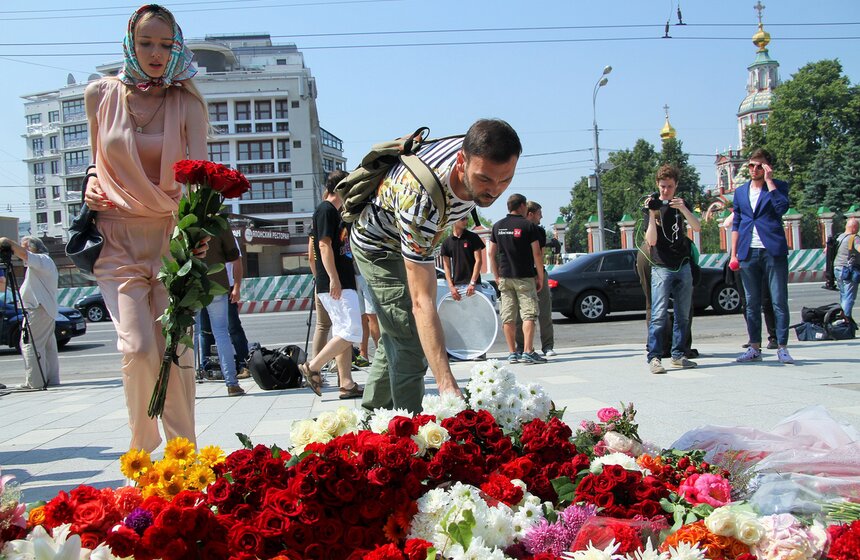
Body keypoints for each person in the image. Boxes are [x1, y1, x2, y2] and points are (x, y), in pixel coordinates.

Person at [83, 4, 207, 452]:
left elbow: (200, 174)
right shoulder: (100, 94)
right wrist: (92, 181)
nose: (156, 53)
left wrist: (200, 232)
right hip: (117, 238)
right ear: (129, 44)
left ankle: (184, 454)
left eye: (166, 44)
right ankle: (142, 453)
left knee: (176, 353)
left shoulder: (186, 100)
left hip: (171, 239)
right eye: (146, 43)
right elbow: (99, 157)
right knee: (136, 349)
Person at [351, 119, 521, 412]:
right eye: (484, 180)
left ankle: (371, 416)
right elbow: (422, 301)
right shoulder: (421, 199)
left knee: (396, 330)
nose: (494, 191)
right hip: (378, 247)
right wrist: (445, 381)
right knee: (409, 340)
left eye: (505, 180)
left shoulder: (478, 156)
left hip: (415, 239)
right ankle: (410, 436)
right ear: (461, 161)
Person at [299, 171, 363, 400]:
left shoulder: (335, 212)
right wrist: (333, 278)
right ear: (341, 187)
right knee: (353, 330)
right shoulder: (325, 210)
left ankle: (346, 384)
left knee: (343, 331)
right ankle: (312, 366)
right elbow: (323, 247)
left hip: (340, 280)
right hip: (336, 282)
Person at [729, 148, 793, 364]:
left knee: (778, 300)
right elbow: (736, 223)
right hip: (748, 252)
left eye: (759, 165)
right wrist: (733, 253)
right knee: (751, 302)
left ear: (767, 167)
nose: (754, 169)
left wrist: (770, 181)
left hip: (772, 250)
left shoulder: (778, 187)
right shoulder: (740, 192)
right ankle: (754, 346)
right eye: (751, 165)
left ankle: (782, 346)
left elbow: (782, 208)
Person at [642, 164, 701, 374]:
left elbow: (697, 227)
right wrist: (651, 213)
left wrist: (683, 209)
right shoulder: (653, 205)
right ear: (657, 185)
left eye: (669, 186)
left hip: (682, 264)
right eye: (662, 186)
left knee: (683, 314)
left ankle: (679, 355)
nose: (665, 191)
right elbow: (651, 241)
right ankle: (654, 357)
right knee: (658, 314)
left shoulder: (682, 204)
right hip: (661, 266)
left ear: (676, 186)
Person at [489, 193, 546, 365]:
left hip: (505, 277)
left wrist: (496, 276)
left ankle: (512, 353)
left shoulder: (497, 226)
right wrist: (540, 276)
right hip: (524, 277)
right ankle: (528, 351)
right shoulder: (528, 226)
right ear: (521, 206)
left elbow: (491, 254)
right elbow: (537, 253)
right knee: (529, 314)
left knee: (508, 316)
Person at [0, 237, 59, 389]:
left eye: (24, 247)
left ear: (32, 248)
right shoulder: (45, 262)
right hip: (44, 309)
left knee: (30, 344)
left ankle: (35, 382)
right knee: (47, 347)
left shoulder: (41, 260)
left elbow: (24, 255)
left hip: (38, 309)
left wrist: (7, 242)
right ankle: (51, 379)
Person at [197, 227, 244, 396]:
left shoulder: (184, 218)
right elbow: (235, 257)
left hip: (190, 285)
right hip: (216, 284)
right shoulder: (219, 225)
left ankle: (186, 385)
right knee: (221, 333)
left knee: (189, 336)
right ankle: (232, 384)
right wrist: (237, 286)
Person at [722, 212, 776, 350]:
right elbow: (726, 224)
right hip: (741, 263)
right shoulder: (740, 217)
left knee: (765, 300)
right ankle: (754, 338)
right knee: (746, 302)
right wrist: (737, 210)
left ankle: (774, 336)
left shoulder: (756, 219)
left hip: (757, 260)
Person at [514, 200, 555, 356]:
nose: (541, 217)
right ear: (530, 214)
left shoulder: (540, 231)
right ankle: (522, 346)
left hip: (538, 273)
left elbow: (540, 254)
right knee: (521, 314)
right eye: (539, 214)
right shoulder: (518, 229)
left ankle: (548, 346)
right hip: (522, 275)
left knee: (545, 311)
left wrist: (540, 275)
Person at [440, 216, 485, 302]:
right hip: (457, 287)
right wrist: (451, 287)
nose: (466, 221)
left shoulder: (473, 237)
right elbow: (446, 266)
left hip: (474, 285)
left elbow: (478, 261)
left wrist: (472, 283)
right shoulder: (446, 242)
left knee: (477, 314)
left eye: (466, 218)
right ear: (454, 220)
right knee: (462, 314)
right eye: (463, 219)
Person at [834, 217, 860, 318]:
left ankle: (843, 318)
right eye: (858, 227)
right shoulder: (854, 238)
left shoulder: (839, 237)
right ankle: (844, 321)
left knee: (844, 295)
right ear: (854, 228)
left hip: (837, 268)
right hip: (848, 271)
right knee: (849, 297)